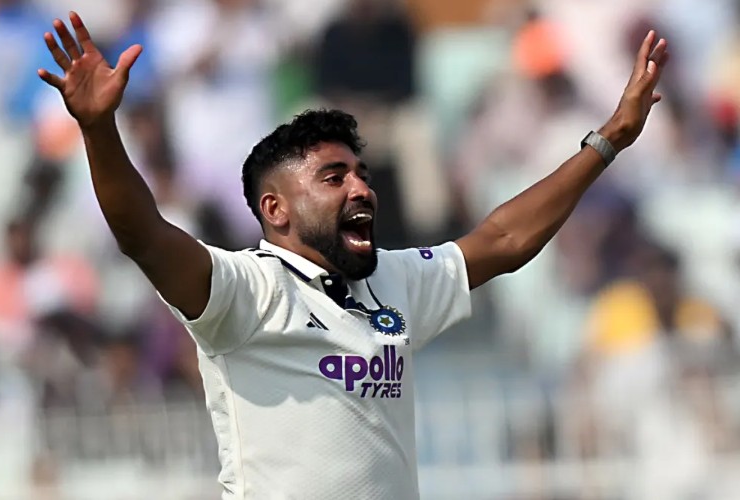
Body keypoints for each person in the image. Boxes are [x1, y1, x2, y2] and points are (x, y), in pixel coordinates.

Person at [37, 11, 668, 499]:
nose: (362, 188)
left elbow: (503, 241)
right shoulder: (245, 290)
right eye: (334, 177)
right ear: (275, 210)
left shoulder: (395, 278)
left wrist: (609, 140)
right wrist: (98, 128)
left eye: (361, 175)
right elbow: (142, 234)